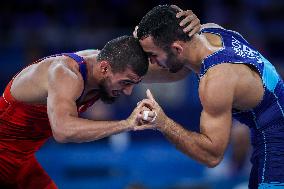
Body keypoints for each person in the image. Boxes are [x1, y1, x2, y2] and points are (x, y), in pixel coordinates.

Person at [0, 10, 201, 187]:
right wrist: (126, 124)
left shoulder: (115, 65)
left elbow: (177, 71)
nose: (128, 91)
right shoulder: (64, 74)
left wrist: (193, 34)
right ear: (104, 68)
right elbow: (63, 130)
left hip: (21, 162)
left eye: (133, 84)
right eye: (126, 83)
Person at [135, 5, 284, 188]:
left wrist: (163, 123)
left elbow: (211, 156)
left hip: (277, 140)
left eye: (152, 55)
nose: (151, 62)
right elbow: (174, 69)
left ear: (177, 49)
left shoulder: (216, 80)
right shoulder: (210, 31)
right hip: (268, 131)